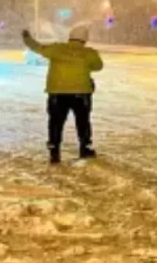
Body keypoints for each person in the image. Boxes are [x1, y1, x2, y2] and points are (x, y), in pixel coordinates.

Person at [22, 24, 103, 164]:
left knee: (56, 122)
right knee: (83, 122)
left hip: (57, 93)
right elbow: (98, 66)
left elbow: (37, 47)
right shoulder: (90, 53)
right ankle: (85, 149)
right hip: (81, 93)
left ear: (70, 37)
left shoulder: (56, 49)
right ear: (85, 39)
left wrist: (27, 38)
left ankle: (54, 151)